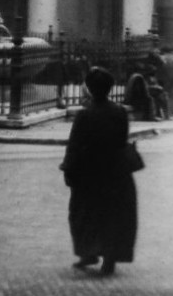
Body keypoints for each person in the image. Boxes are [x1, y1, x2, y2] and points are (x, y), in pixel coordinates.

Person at [59, 67, 138, 277]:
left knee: (83, 214)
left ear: (90, 88)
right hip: (115, 172)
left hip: (89, 173)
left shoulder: (85, 114)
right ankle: (109, 259)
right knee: (112, 215)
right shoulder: (120, 111)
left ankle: (88, 252)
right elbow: (122, 139)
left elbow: (74, 144)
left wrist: (68, 168)